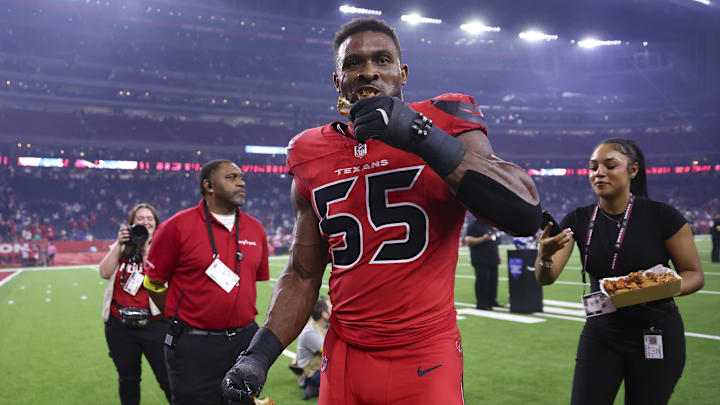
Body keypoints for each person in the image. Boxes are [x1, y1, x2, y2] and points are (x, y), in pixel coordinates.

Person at [222, 18, 541, 405]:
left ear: (401, 72)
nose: (368, 70)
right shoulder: (309, 153)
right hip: (344, 356)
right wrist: (258, 354)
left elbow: (523, 212)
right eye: (353, 63)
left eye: (382, 59)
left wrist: (420, 135)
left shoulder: (445, 120)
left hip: (425, 354)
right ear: (338, 81)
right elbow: (304, 274)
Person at [534, 138, 704, 405]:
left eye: (609, 165)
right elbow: (547, 277)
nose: (598, 172)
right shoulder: (578, 219)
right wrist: (543, 256)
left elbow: (694, 274)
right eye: (593, 167)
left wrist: (652, 289)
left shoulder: (662, 216)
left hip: (655, 331)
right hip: (602, 332)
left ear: (633, 170)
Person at [143, 160, 269, 405]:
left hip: (244, 343)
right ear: (208, 185)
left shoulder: (256, 229)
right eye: (231, 177)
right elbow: (153, 282)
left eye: (241, 177)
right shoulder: (176, 227)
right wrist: (179, 315)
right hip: (193, 345)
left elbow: (255, 281)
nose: (241, 182)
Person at [99, 203, 171, 405]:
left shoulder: (163, 246)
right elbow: (104, 273)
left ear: (156, 224)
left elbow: (159, 280)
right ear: (131, 224)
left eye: (149, 219)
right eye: (140, 219)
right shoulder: (123, 247)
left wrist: (147, 248)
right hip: (120, 326)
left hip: (155, 324)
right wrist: (119, 244)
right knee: (128, 380)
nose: (145, 222)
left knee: (167, 378)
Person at [290, 296, 331, 401]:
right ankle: (313, 388)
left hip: (318, 368)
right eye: (330, 306)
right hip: (310, 374)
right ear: (324, 314)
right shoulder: (311, 332)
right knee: (341, 378)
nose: (333, 308)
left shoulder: (325, 325)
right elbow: (330, 353)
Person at [465, 219, 502, 310]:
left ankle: (492, 300)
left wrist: (498, 256)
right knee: (482, 282)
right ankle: (482, 303)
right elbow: (469, 240)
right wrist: (483, 238)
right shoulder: (474, 226)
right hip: (481, 259)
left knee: (493, 281)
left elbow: (494, 243)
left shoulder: (490, 225)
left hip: (493, 258)